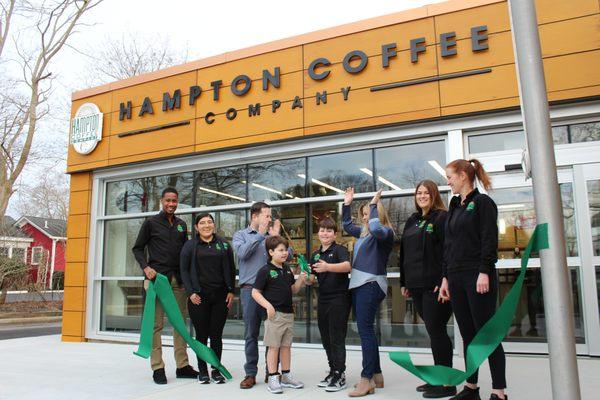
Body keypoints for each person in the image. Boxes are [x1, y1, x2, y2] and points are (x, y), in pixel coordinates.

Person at [438, 159, 507, 400]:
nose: (448, 182)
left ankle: (499, 391)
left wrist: (484, 271)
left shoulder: (483, 203)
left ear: (464, 176)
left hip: (477, 276)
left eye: (450, 177)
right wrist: (445, 278)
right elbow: (448, 245)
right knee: (467, 334)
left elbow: (489, 240)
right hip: (455, 277)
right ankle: (471, 387)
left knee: (486, 334)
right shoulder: (455, 205)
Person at [132, 187, 199, 384]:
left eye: (174, 201)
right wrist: (146, 268)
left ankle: (182, 366)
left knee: (180, 325)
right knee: (155, 326)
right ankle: (158, 368)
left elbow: (185, 253)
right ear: (161, 201)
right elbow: (137, 249)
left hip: (178, 282)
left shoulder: (181, 225)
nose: (171, 204)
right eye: (168, 200)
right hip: (157, 281)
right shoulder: (150, 223)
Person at [399, 180, 456, 398]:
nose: (422, 196)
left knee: (437, 331)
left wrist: (444, 279)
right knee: (434, 332)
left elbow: (447, 251)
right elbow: (405, 253)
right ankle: (437, 378)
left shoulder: (442, 217)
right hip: (416, 286)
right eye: (419, 193)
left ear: (434, 195)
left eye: (426, 193)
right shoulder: (412, 220)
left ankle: (447, 383)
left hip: (435, 286)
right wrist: (405, 282)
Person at [343, 188, 395, 397]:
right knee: (367, 330)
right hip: (360, 285)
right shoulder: (364, 234)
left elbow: (375, 225)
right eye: (363, 214)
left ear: (378, 213)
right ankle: (377, 375)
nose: (365, 218)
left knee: (365, 331)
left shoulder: (384, 233)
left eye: (368, 213)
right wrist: (347, 204)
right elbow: (346, 225)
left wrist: (373, 204)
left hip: (370, 284)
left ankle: (367, 380)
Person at [233, 202, 291, 389]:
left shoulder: (271, 239)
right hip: (251, 291)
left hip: (271, 292)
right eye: (266, 216)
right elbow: (242, 254)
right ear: (255, 217)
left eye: (270, 216)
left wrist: (275, 237)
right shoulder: (240, 235)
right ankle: (250, 374)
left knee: (272, 334)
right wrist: (260, 235)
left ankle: (271, 372)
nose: (269, 219)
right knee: (251, 333)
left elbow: (287, 256)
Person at [180, 213, 235, 384]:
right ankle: (202, 370)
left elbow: (231, 269)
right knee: (202, 335)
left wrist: (231, 290)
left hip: (220, 297)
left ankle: (216, 368)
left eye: (209, 222)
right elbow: (184, 270)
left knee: (216, 335)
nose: (206, 225)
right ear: (196, 227)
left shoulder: (224, 245)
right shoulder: (190, 246)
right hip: (199, 297)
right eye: (202, 223)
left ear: (214, 225)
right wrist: (190, 293)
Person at [252, 235, 310, 394]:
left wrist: (301, 280)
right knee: (274, 347)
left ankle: (286, 375)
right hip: (275, 315)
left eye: (286, 250)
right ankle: (273, 377)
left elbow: (293, 289)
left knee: (286, 347)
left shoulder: (286, 269)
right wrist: (268, 306)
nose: (285, 253)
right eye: (281, 250)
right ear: (271, 252)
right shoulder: (265, 271)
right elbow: (255, 293)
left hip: (288, 314)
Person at [309, 218, 352, 392]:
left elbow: (348, 266)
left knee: (336, 337)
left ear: (335, 234)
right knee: (326, 337)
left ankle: (340, 374)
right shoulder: (315, 254)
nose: (324, 233)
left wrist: (328, 267)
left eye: (328, 230)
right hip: (323, 299)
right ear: (318, 233)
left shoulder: (340, 250)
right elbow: (312, 278)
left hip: (339, 298)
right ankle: (333, 370)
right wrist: (307, 277)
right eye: (322, 230)